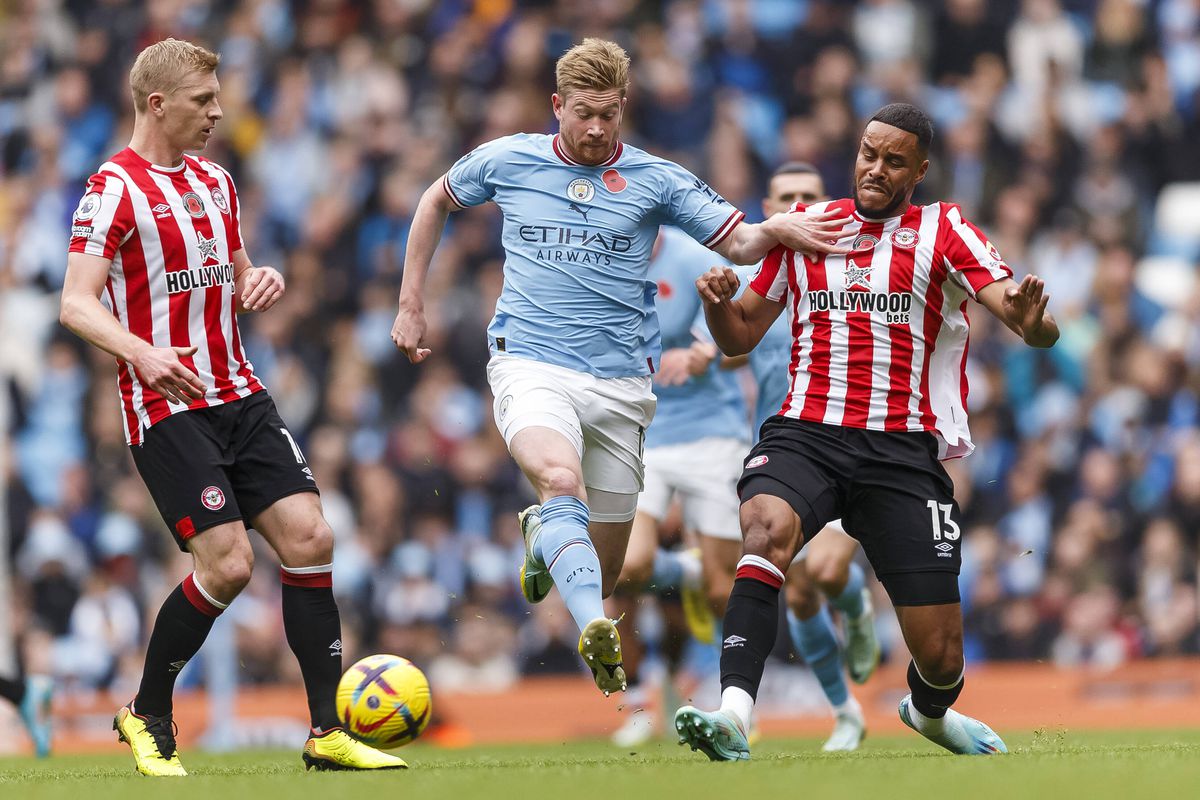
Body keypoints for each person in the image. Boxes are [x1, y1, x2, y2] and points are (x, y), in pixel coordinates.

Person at [390, 38, 846, 695]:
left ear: (624, 108)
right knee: (558, 475)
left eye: (609, 114)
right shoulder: (509, 159)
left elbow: (740, 239)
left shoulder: (656, 179)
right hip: (531, 363)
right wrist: (411, 304)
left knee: (606, 573)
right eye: (583, 113)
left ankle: (545, 535)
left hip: (622, 386)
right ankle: (592, 629)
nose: (597, 127)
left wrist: (780, 229)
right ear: (557, 106)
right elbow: (436, 198)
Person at [59, 38, 406, 776]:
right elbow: (74, 304)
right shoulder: (111, 189)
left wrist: (261, 280)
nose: (218, 112)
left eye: (217, 98)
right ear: (158, 105)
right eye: (202, 101)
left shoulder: (216, 181)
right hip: (166, 403)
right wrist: (141, 352)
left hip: (240, 391)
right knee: (228, 564)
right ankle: (146, 713)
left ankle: (325, 732)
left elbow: (238, 273)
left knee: (312, 539)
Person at [675, 103, 1059, 760]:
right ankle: (735, 712)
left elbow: (1026, 320)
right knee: (764, 528)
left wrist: (1032, 324)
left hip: (901, 450)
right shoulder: (808, 228)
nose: (875, 169)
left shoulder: (944, 230)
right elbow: (739, 335)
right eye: (867, 154)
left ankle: (928, 712)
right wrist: (716, 307)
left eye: (893, 161)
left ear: (920, 170)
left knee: (940, 656)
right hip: (807, 432)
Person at [733, 162, 881, 751]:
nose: (798, 206)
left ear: (830, 205)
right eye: (786, 198)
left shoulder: (850, 272)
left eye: (809, 197)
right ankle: (846, 712)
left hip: (850, 445)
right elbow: (723, 348)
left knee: (820, 573)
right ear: (769, 206)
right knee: (795, 591)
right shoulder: (763, 278)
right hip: (786, 453)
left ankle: (854, 603)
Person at [608, 226, 749, 745]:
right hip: (641, 433)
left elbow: (747, 329)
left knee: (721, 588)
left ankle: (727, 701)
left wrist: (705, 352)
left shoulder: (694, 258)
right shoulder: (595, 259)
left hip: (712, 433)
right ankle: (641, 699)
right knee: (625, 568)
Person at [0, 669, 52, 757]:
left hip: (27, 696)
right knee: (38, 730)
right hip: (24, 697)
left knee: (38, 729)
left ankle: (29, 691)